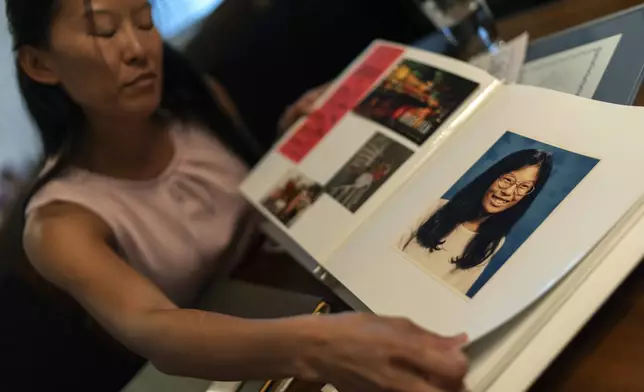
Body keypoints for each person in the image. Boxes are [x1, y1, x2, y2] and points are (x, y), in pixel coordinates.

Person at [1, 0, 469, 391]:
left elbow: (253, 200)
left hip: (313, 280)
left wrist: (294, 145)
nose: (138, 49)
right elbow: (153, 327)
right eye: (104, 31)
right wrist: (317, 344)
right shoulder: (59, 223)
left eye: (144, 21)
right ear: (40, 64)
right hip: (241, 355)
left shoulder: (193, 100)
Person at [399, 149, 553, 295]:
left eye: (524, 187)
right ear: (492, 177)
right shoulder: (435, 207)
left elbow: (455, 292)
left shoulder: (494, 241)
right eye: (507, 179)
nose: (508, 191)